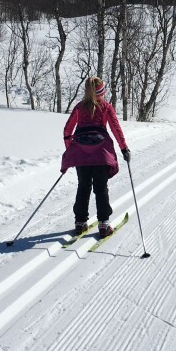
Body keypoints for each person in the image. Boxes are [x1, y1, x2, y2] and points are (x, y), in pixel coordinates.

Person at [61, 77, 130, 238]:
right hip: (101, 154)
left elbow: (67, 131)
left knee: (83, 186)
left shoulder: (79, 107)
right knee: (100, 187)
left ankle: (80, 223)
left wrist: (72, 150)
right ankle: (104, 224)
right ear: (101, 92)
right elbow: (116, 129)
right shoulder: (106, 107)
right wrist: (124, 149)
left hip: (80, 153)